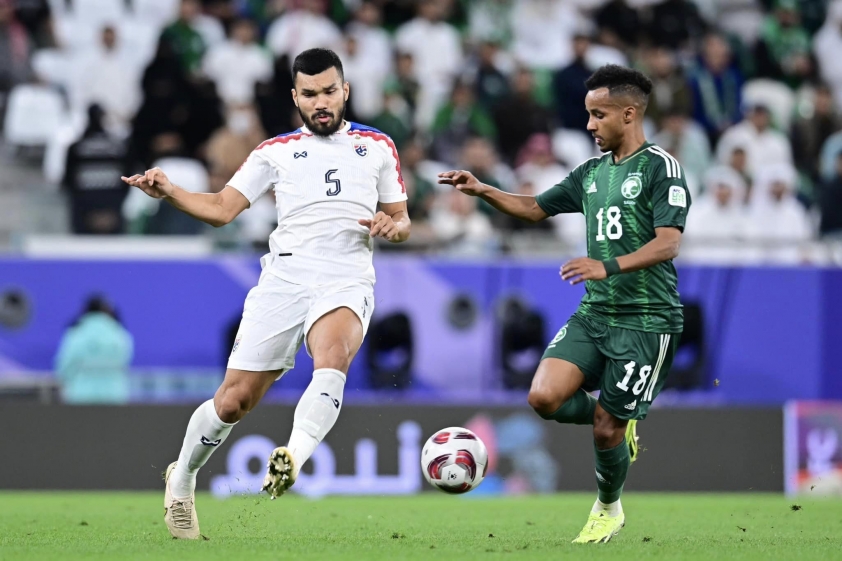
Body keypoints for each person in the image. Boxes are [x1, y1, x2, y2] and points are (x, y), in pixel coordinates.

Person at [122, 48, 411, 539]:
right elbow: (221, 208)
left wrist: (393, 226)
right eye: (310, 94)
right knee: (233, 402)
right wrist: (171, 192)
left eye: (329, 91)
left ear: (345, 91)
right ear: (295, 97)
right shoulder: (274, 151)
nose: (321, 102)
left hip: (345, 276)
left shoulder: (378, 145)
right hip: (284, 280)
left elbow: (402, 221)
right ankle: (183, 477)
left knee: (334, 356)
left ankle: (292, 457)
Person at [439, 64, 690, 544]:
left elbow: (668, 243)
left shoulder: (661, 168)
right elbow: (535, 208)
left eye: (599, 115)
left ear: (629, 113)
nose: (590, 125)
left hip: (648, 320)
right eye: (588, 115)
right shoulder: (591, 173)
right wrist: (484, 189)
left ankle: (608, 508)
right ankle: (617, 416)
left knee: (605, 431)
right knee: (543, 397)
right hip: (596, 313)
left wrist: (606, 266)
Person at [54, 296, 134, 405]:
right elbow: (125, 361)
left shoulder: (76, 334)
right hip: (114, 395)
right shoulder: (120, 334)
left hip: (81, 394)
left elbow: (64, 366)